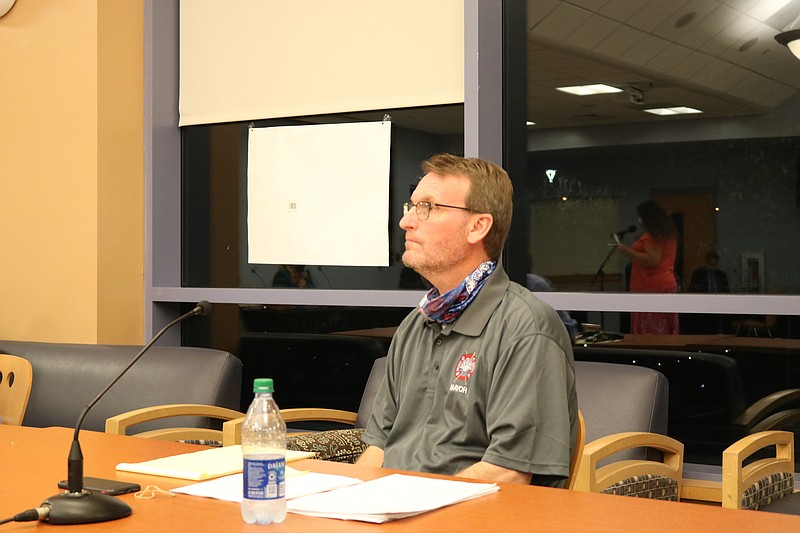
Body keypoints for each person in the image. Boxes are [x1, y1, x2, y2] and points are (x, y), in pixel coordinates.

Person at [357, 154, 578, 487]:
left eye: (428, 207)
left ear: (478, 226)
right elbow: (379, 445)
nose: (407, 222)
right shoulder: (415, 325)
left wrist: (417, 511)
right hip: (395, 511)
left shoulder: (526, 328)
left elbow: (509, 472)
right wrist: (350, 503)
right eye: (412, 206)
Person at [616, 200, 679, 334]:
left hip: (650, 286)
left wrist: (627, 251)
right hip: (664, 283)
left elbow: (652, 260)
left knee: (651, 330)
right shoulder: (667, 234)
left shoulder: (652, 236)